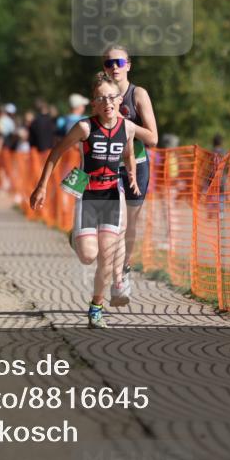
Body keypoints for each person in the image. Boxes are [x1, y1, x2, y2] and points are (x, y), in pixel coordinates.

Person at [29, 72, 154, 329]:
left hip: (112, 195)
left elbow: (129, 153)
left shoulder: (128, 127)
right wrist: (41, 186)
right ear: (93, 104)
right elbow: (56, 152)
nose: (107, 102)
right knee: (88, 256)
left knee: (106, 257)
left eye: (111, 97)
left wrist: (131, 173)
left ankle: (96, 308)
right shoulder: (84, 128)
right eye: (101, 98)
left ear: (119, 100)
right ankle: (76, 237)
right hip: (88, 194)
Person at [102, 45, 158, 307]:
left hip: (137, 166)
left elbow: (153, 138)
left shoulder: (138, 94)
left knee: (129, 224)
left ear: (128, 65)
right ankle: (114, 275)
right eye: (109, 63)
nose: (114, 67)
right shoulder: (102, 94)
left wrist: (127, 125)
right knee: (116, 222)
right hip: (109, 167)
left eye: (119, 62)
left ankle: (123, 270)